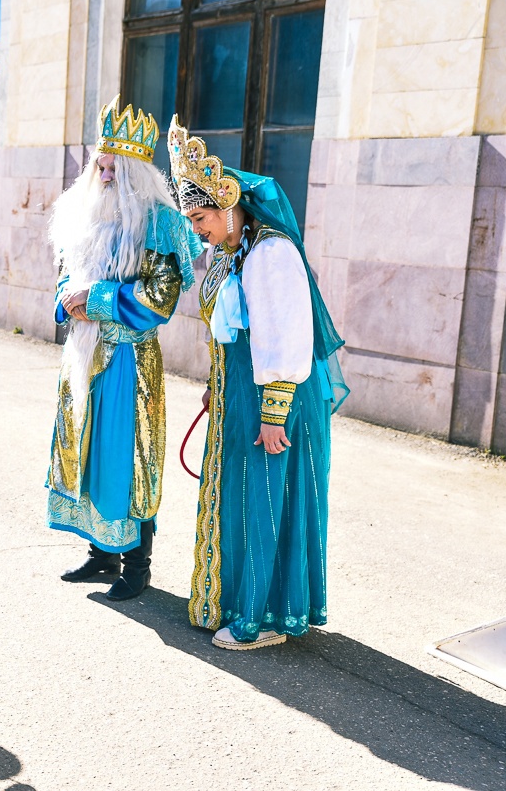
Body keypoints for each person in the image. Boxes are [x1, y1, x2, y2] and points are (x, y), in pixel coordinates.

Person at [165, 115, 347, 650]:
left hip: (273, 401)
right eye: (191, 218)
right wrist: (215, 385)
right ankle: (234, 599)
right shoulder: (229, 251)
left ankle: (262, 618)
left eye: (200, 217)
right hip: (237, 395)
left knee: (265, 497)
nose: (196, 228)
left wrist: (273, 417)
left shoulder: (271, 253)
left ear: (230, 206)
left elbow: (287, 338)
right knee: (241, 497)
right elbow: (232, 331)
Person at [46, 95, 200, 601]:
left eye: (114, 167)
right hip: (85, 355)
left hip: (129, 362)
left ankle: (137, 564)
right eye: (100, 164)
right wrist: (67, 302)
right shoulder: (82, 212)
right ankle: (100, 553)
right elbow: (68, 277)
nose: (105, 174)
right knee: (87, 454)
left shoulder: (159, 222)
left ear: (135, 171)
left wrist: (96, 300)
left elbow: (160, 299)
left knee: (129, 460)